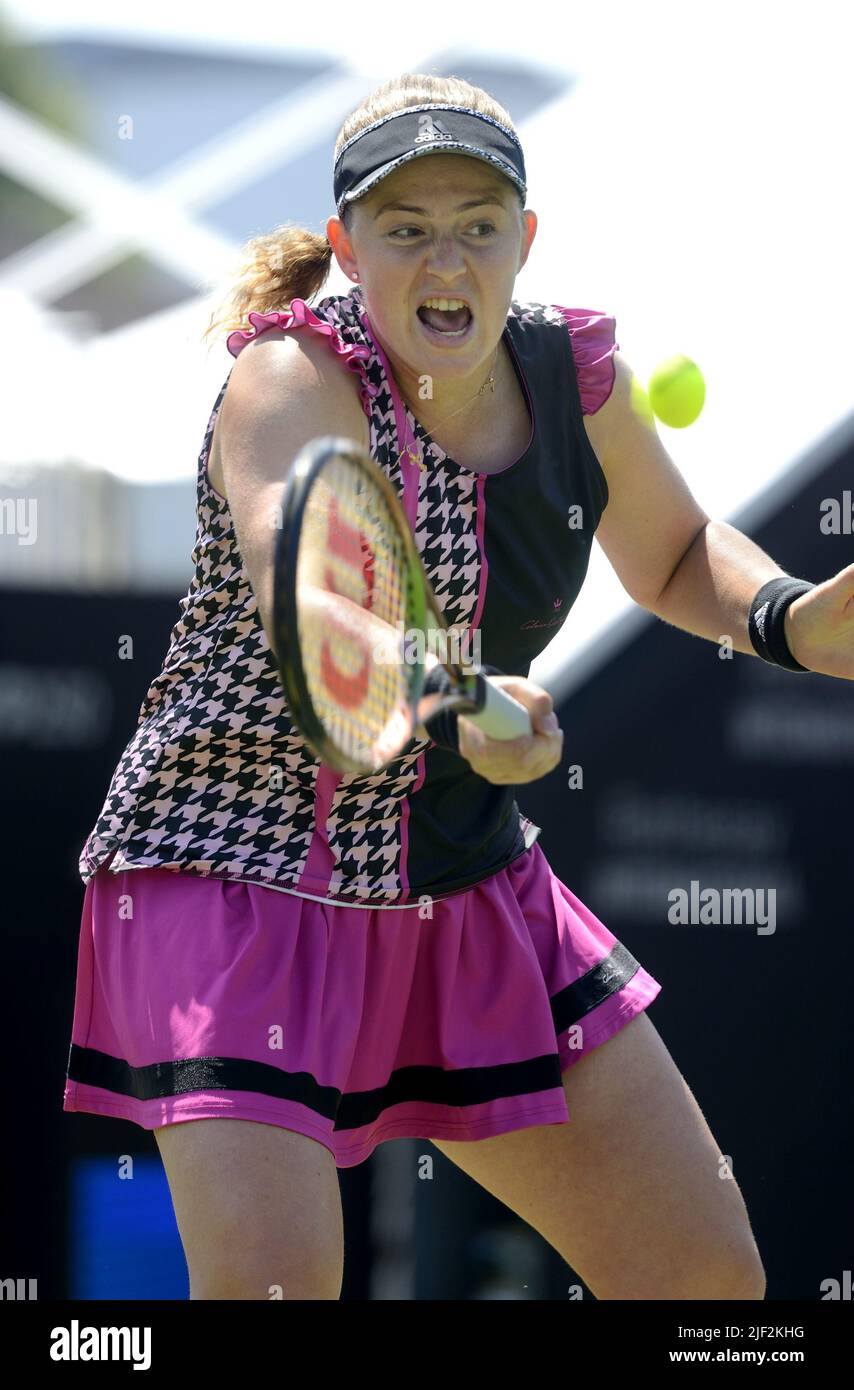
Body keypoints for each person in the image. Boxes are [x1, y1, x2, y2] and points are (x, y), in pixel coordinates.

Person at [63, 72, 854, 1302]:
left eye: (478, 224)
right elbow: (305, 598)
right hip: (231, 877)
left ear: (522, 239)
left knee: (702, 1284)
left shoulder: (578, 377)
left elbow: (674, 553)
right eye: (406, 225)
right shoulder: (287, 378)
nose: (448, 257)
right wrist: (452, 691)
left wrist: (792, 620)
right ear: (345, 247)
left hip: (462, 879)